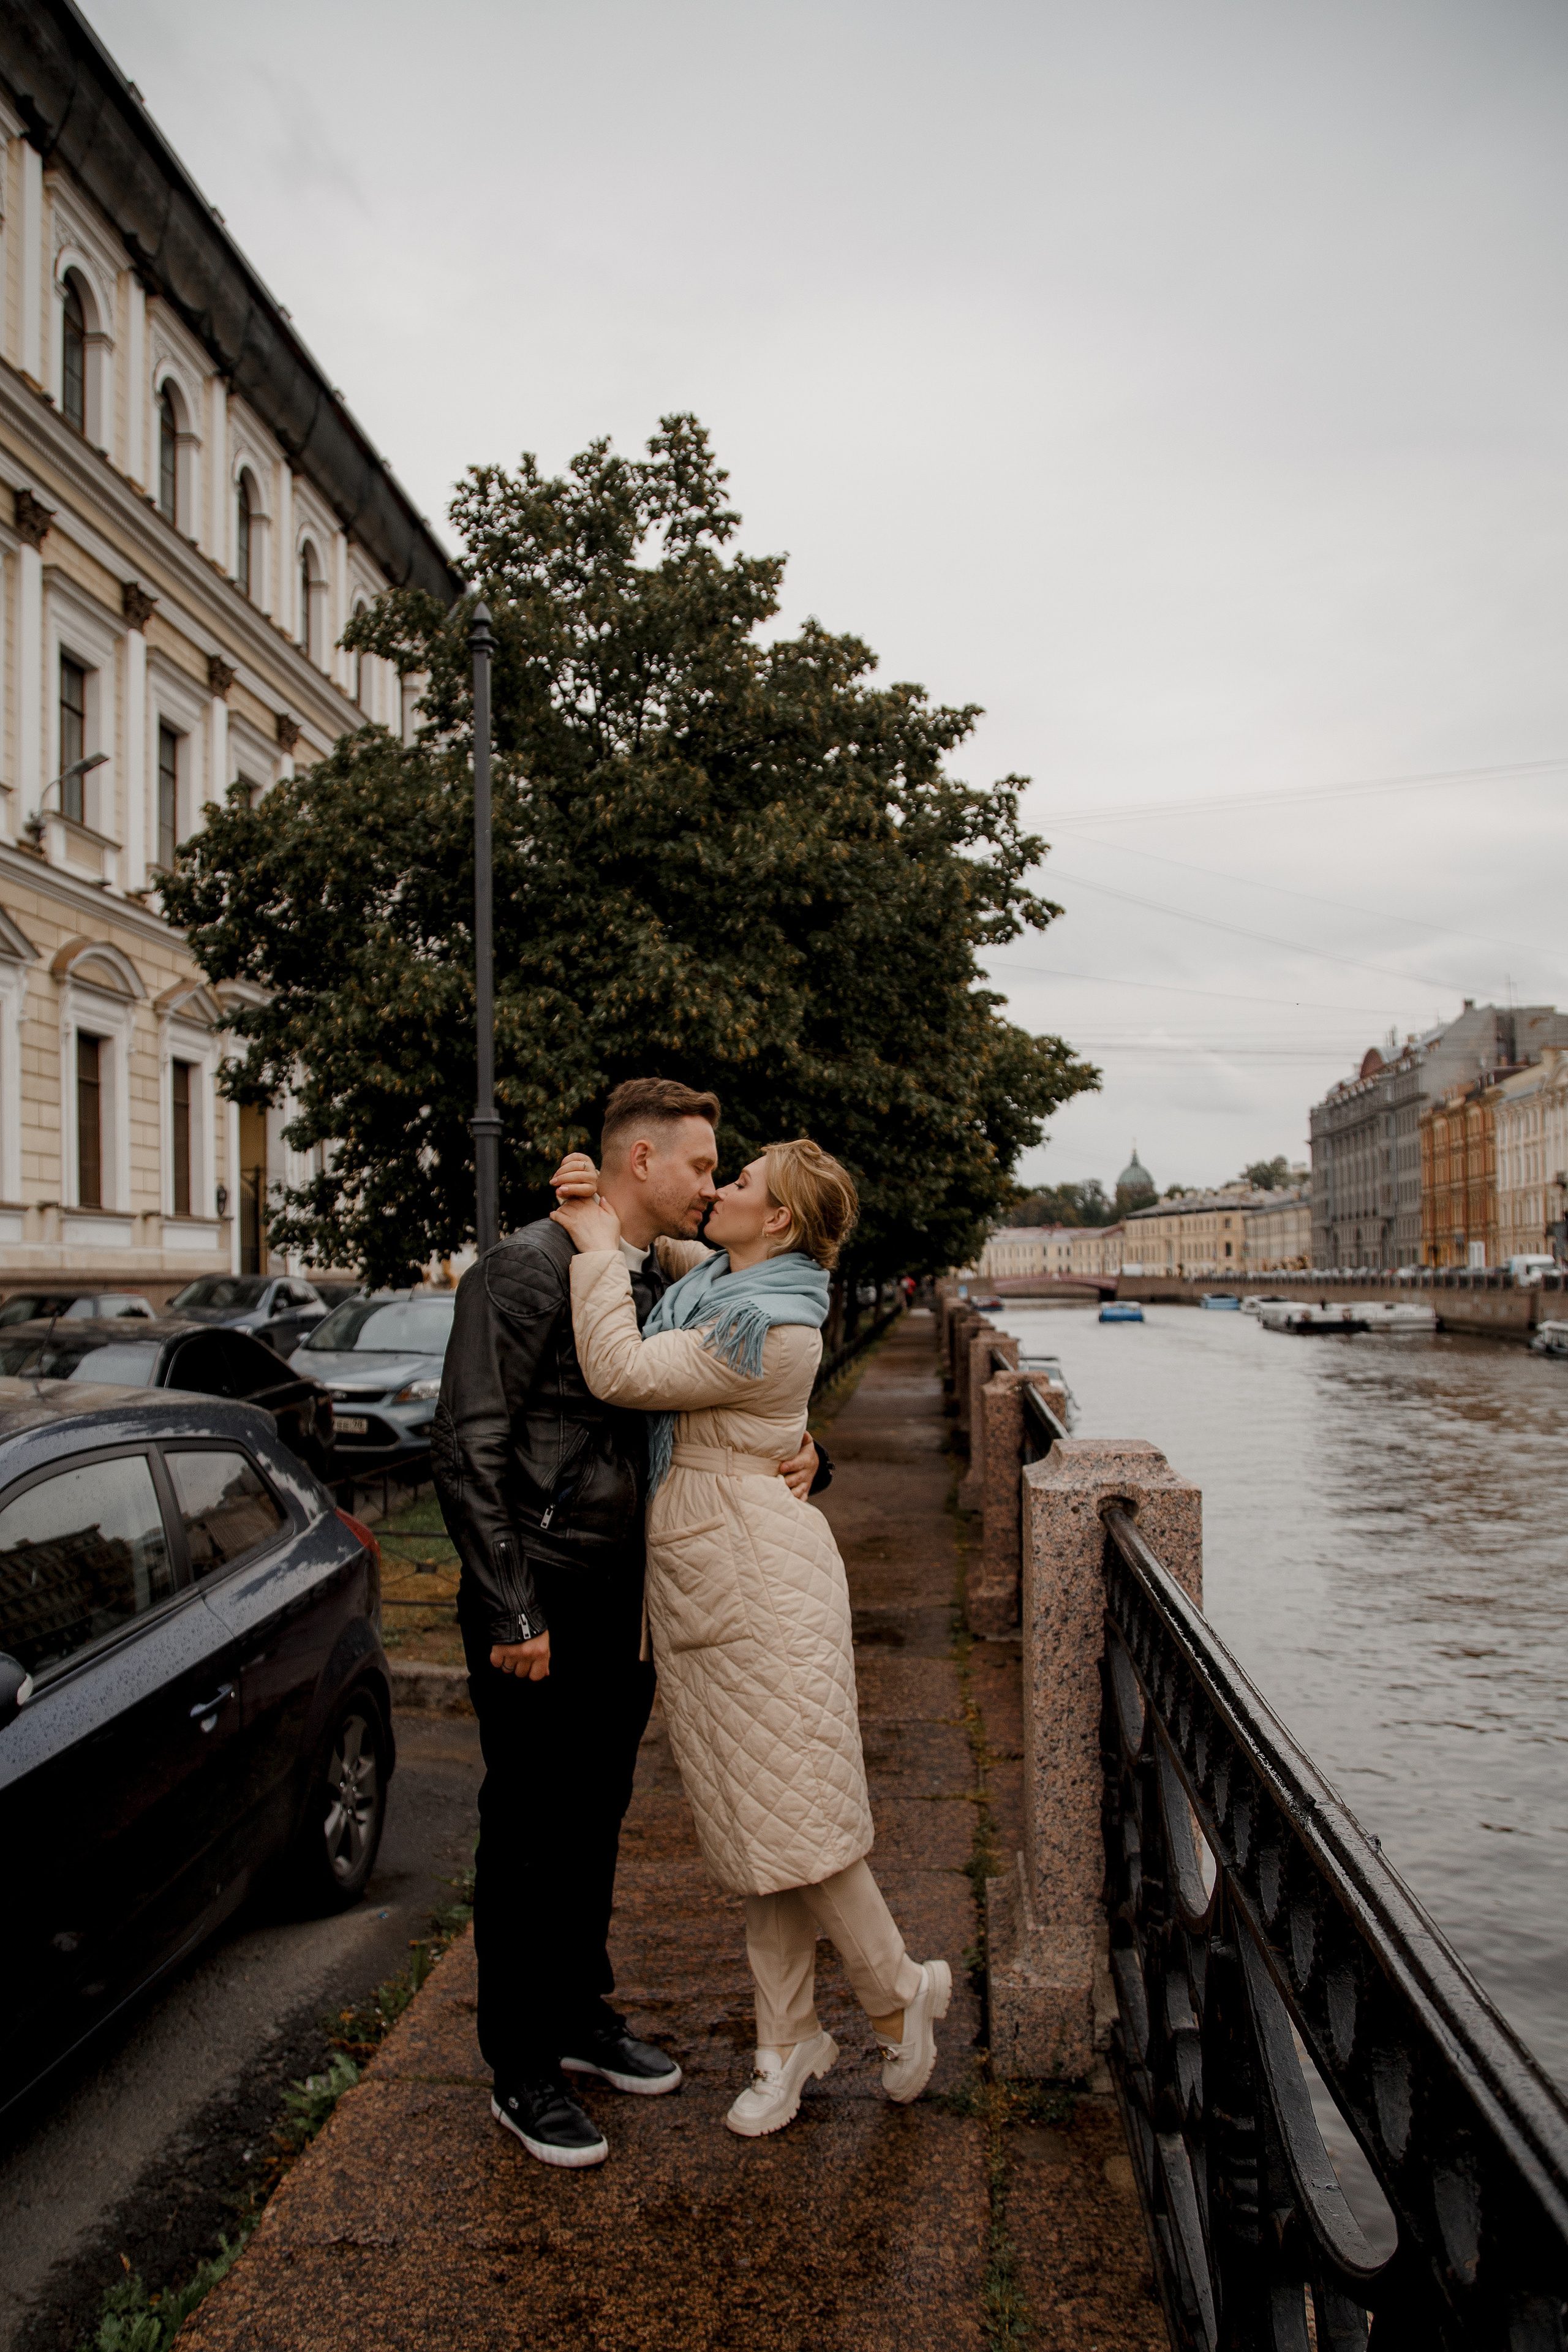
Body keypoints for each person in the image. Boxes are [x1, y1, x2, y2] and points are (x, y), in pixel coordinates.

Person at [431, 1079, 826, 2169]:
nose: (713, 1183)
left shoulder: (659, 1276)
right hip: (542, 1596)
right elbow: (467, 1442)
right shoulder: (522, 1270)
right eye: (701, 1166)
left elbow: (727, 1396)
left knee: (594, 1816)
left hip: (627, 1595)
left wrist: (809, 1451)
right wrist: (512, 1602)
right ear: (640, 1161)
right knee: (527, 1830)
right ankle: (521, 2066)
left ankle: (577, 2014)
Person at [551, 1136, 949, 2137]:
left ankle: (898, 1993)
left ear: (777, 1220)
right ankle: (787, 2043)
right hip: (720, 1570)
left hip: (753, 1582)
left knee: (796, 1819)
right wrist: (613, 1197)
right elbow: (674, 1250)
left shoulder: (760, 1327)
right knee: (759, 1822)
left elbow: (619, 1369)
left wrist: (595, 1249)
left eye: (738, 1182)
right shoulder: (734, 1282)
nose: (720, 1188)